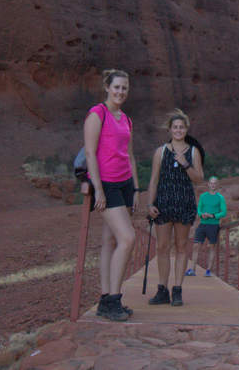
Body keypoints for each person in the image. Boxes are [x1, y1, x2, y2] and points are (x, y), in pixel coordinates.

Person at [79, 69, 142, 321]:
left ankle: (106, 299)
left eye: (124, 88)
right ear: (107, 87)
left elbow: (130, 155)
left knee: (110, 241)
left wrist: (135, 189)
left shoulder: (126, 119)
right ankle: (114, 299)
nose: (120, 92)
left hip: (125, 183)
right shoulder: (97, 114)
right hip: (107, 185)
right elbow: (90, 153)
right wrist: (98, 189)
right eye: (116, 87)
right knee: (128, 238)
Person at [146, 109, 204, 306]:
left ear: (186, 129)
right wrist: (150, 204)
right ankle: (162, 290)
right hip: (163, 203)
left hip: (184, 203)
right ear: (169, 129)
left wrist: (186, 164)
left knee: (181, 246)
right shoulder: (160, 152)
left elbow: (199, 179)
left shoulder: (193, 152)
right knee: (162, 247)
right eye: (175, 127)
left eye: (182, 127)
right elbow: (154, 180)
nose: (178, 130)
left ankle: (177, 290)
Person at [186, 176, 227, 277]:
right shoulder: (203, 196)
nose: (213, 185)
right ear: (208, 184)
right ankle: (192, 269)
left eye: (215, 183)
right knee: (196, 245)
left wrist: (213, 215)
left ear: (217, 185)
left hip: (214, 225)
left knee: (212, 247)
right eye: (211, 183)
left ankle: (208, 271)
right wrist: (202, 214)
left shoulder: (220, 197)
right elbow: (199, 209)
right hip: (203, 224)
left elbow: (224, 212)